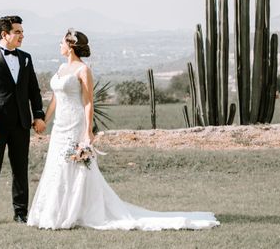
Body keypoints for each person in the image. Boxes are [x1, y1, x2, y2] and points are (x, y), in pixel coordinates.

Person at [27, 28, 220, 231]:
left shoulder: (83, 70)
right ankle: (55, 211)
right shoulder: (60, 68)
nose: (59, 45)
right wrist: (44, 120)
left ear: (71, 46)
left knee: (73, 166)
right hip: (59, 126)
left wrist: (87, 131)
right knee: (56, 165)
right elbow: (56, 98)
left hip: (75, 123)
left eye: (62, 42)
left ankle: (74, 211)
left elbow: (88, 103)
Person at [0, 15, 46, 225]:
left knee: (20, 169)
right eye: (18, 32)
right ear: (5, 34)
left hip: (21, 124)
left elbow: (33, 90)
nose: (22, 35)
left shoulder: (26, 57)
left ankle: (21, 212)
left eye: (22, 32)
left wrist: (38, 115)